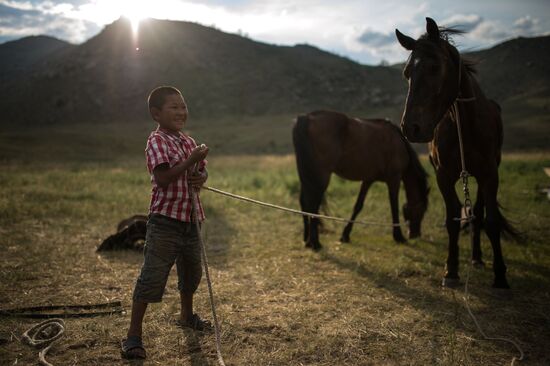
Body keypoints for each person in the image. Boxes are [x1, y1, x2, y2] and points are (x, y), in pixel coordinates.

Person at [121, 86, 210, 360]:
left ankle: (186, 315)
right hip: (165, 223)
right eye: (174, 107)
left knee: (191, 272)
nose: (181, 112)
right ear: (156, 114)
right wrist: (190, 161)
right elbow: (163, 178)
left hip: (190, 220)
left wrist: (201, 177)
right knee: (152, 277)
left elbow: (199, 174)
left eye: (183, 106)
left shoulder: (187, 141)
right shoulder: (157, 141)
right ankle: (133, 336)